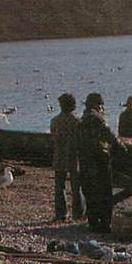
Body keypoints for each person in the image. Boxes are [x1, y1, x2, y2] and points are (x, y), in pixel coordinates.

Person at [77, 93, 126, 233]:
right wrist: (123, 148)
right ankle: (105, 224)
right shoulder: (97, 118)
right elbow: (110, 136)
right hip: (99, 160)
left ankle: (93, 223)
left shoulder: (81, 119)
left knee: (90, 192)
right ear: (98, 105)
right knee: (104, 192)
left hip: (85, 160)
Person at [50, 93, 83, 222]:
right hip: (74, 156)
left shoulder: (55, 121)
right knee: (76, 187)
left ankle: (60, 214)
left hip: (60, 155)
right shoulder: (77, 122)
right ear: (73, 106)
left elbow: (54, 137)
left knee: (59, 186)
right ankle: (78, 213)